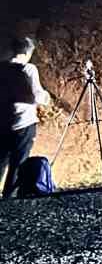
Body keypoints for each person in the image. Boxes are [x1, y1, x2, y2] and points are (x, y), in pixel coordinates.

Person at [3, 36, 52, 198]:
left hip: (2, 124)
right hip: (23, 124)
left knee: (0, 160)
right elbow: (36, 96)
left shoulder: (1, 68)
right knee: (17, 164)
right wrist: (46, 98)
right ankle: (9, 201)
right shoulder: (28, 69)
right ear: (28, 52)